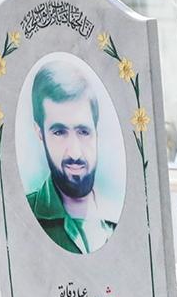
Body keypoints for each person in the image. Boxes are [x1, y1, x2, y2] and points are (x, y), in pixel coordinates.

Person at [27, 61, 117, 255]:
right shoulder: (23, 213)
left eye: (83, 132)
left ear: (96, 131)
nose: (75, 153)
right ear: (39, 132)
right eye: (59, 132)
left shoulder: (120, 214)